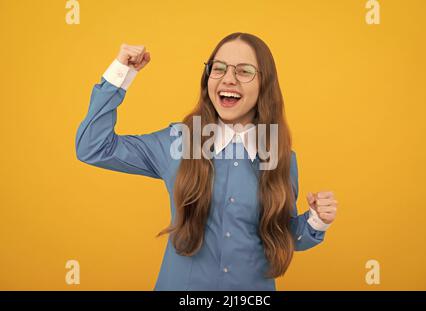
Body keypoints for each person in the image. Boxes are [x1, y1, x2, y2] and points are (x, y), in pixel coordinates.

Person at [75, 32, 338, 291]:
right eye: (219, 68)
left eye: (244, 71)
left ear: (264, 84)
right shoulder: (177, 142)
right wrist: (121, 73)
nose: (228, 79)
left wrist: (317, 220)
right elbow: (93, 147)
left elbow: (284, 236)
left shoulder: (281, 157)